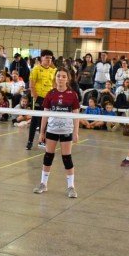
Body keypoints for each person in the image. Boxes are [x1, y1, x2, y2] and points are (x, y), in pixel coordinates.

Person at [33, 67, 80, 198]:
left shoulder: (72, 94)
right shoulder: (51, 93)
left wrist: (76, 133)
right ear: (55, 78)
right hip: (52, 129)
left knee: (67, 158)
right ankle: (43, 184)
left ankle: (71, 187)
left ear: (67, 79)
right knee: (48, 156)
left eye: (64, 76)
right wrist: (42, 132)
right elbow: (45, 114)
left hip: (66, 130)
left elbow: (76, 115)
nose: (61, 78)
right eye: (58, 76)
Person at [27, 50, 58, 150]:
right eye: (46, 57)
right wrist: (36, 98)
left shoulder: (53, 70)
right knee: (35, 120)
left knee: (46, 121)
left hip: (49, 98)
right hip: (38, 98)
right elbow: (31, 85)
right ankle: (30, 141)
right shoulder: (36, 69)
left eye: (50, 58)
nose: (49, 60)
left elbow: (54, 84)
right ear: (41, 58)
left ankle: (42, 141)